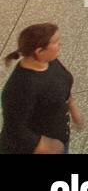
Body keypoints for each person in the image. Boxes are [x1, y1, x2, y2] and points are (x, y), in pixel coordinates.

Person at [1, 24, 79, 154]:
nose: (61, 45)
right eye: (56, 42)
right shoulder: (21, 87)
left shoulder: (48, 61)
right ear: (39, 51)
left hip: (57, 136)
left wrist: (73, 107)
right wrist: (44, 145)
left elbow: (62, 84)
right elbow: (14, 128)